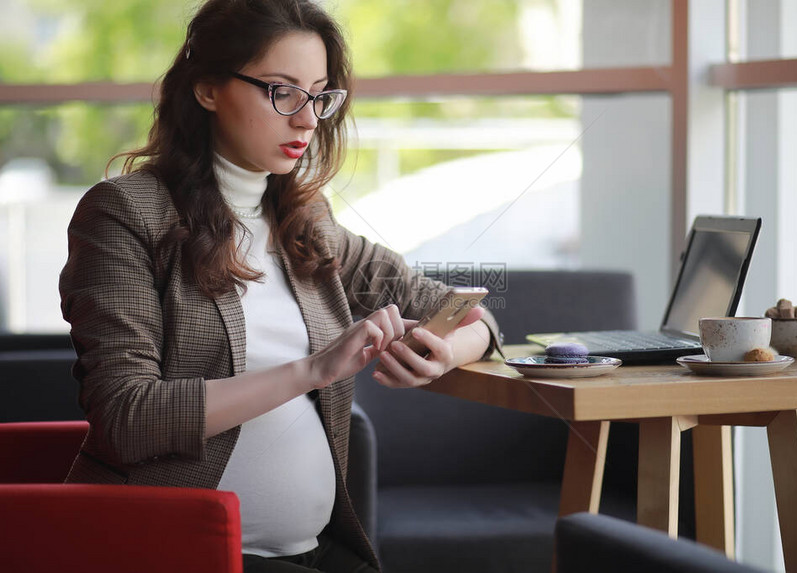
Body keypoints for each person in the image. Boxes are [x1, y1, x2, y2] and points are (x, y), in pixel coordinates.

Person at [58, 1, 501, 571]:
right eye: (281, 91)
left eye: (318, 95)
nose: (308, 120)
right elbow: (126, 417)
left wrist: (443, 353)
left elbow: (469, 313)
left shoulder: (304, 221)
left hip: (318, 552)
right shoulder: (124, 214)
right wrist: (315, 369)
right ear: (208, 88)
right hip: (170, 549)